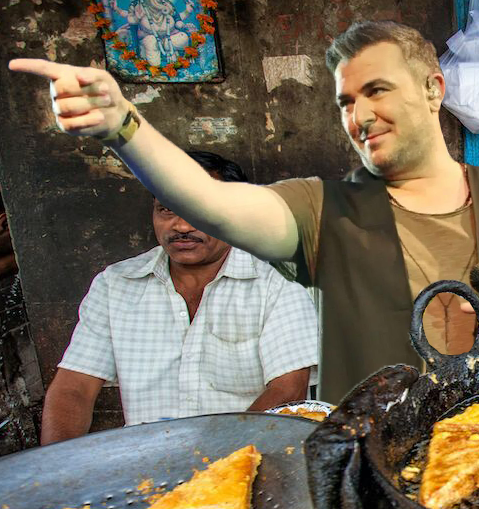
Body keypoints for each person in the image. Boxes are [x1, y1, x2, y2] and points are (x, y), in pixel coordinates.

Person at [11, 21, 479, 403]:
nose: (358, 117)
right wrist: (124, 125)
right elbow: (215, 204)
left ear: (434, 89)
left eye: (376, 91)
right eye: (345, 102)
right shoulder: (321, 210)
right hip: (373, 480)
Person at [40, 151, 319, 444]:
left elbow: (288, 390)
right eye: (167, 210)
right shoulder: (116, 284)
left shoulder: (278, 279)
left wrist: (213, 463)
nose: (182, 226)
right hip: (145, 460)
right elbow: (74, 388)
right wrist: (56, 469)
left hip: (245, 455)